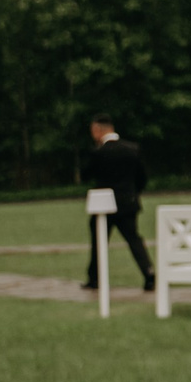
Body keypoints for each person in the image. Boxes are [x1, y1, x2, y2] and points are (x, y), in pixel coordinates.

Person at [80, 114, 153, 292]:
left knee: (98, 241)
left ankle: (94, 278)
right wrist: (133, 193)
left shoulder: (99, 152)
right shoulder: (132, 149)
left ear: (97, 130)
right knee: (134, 239)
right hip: (128, 202)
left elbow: (85, 175)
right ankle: (148, 272)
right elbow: (142, 177)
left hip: (104, 205)